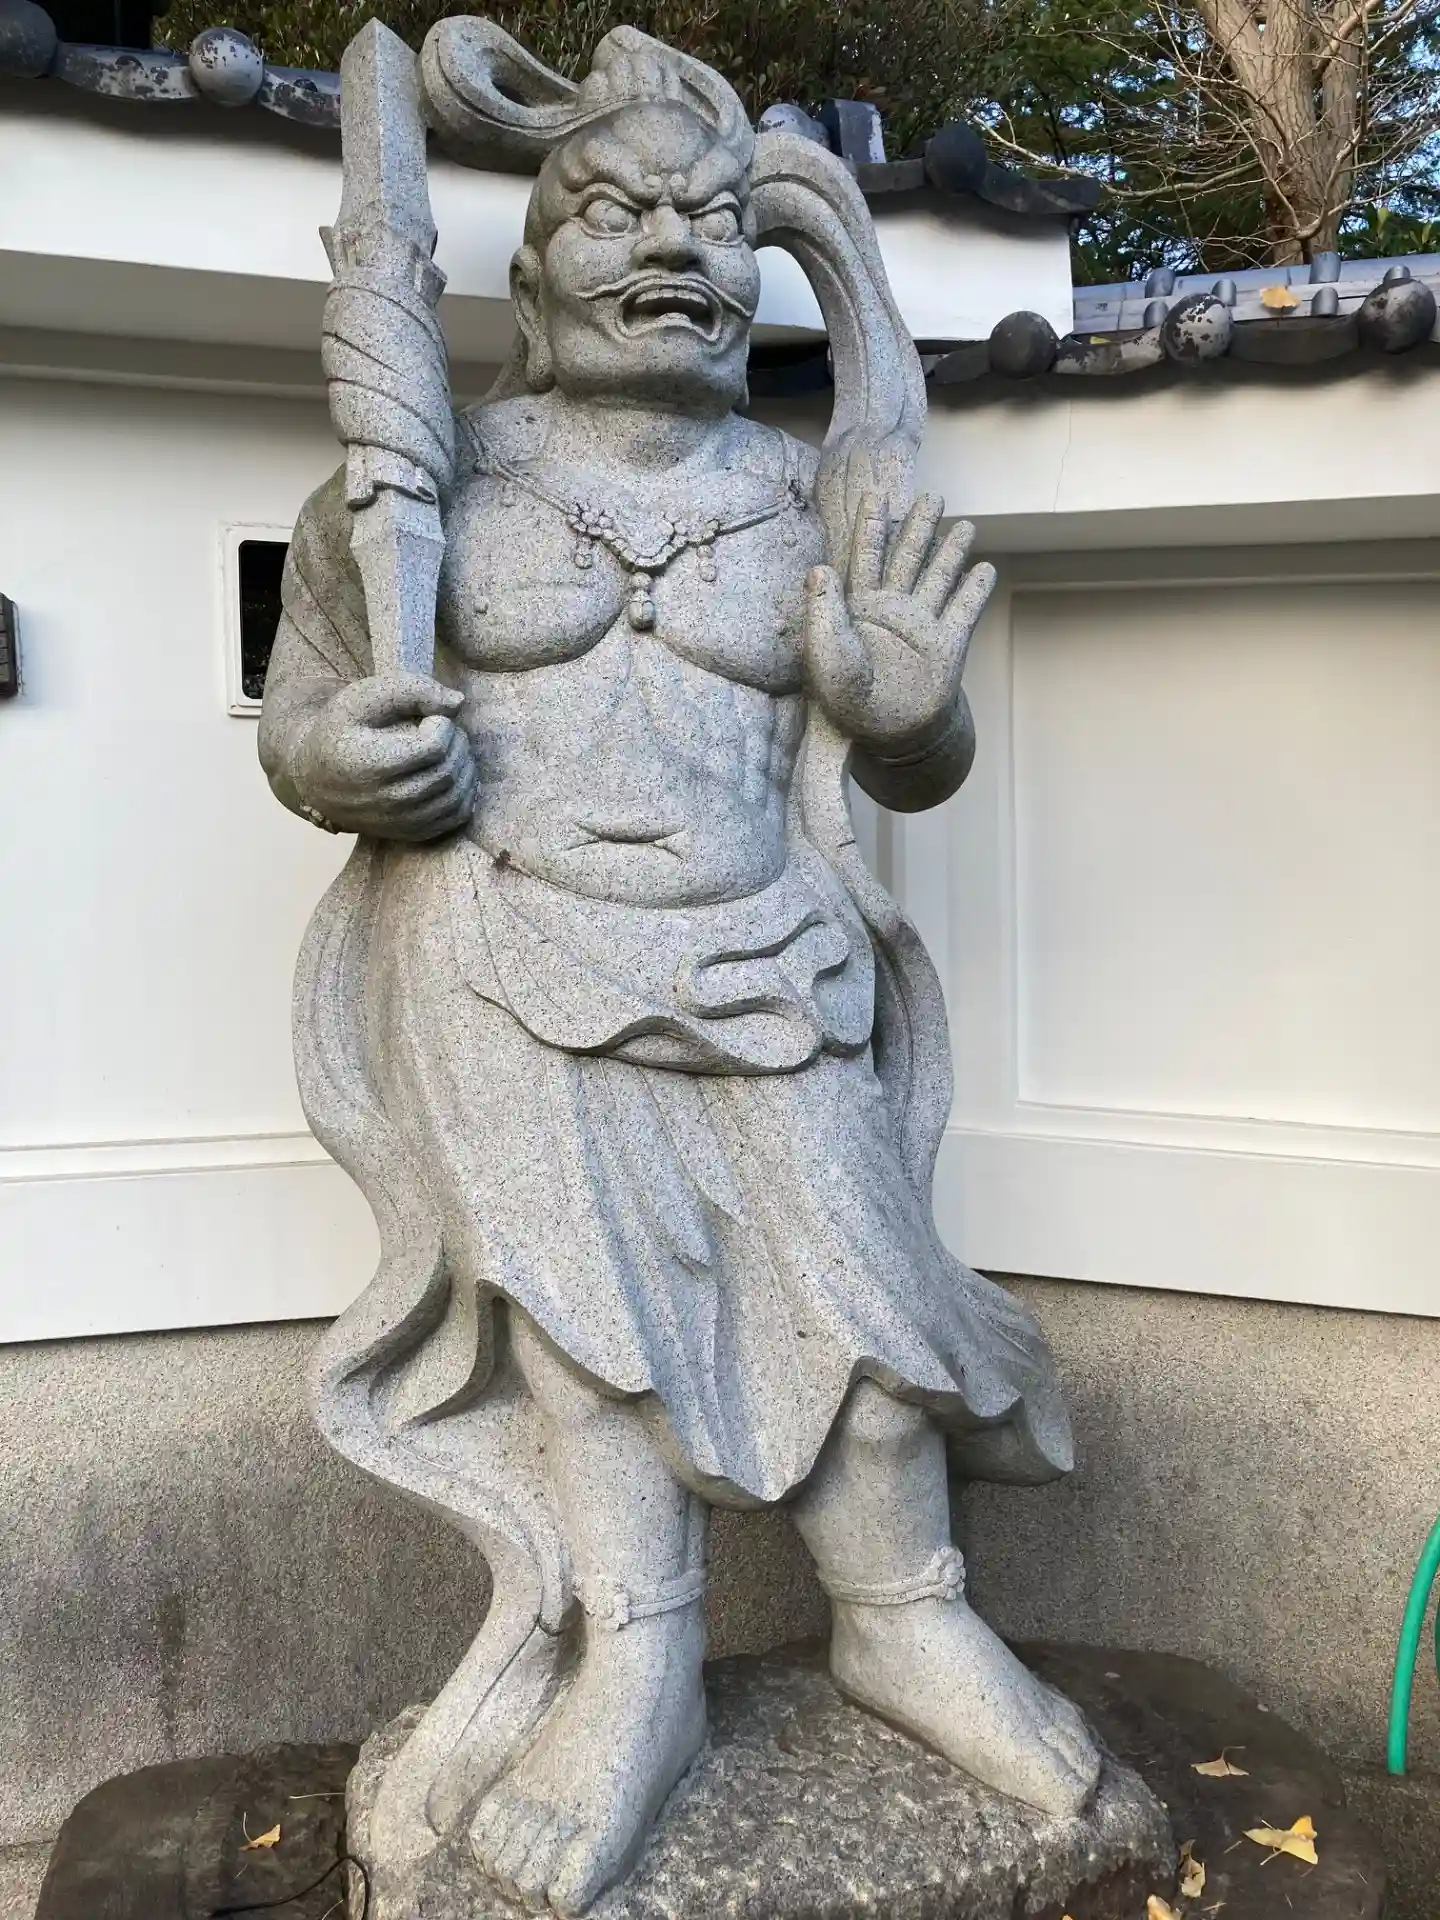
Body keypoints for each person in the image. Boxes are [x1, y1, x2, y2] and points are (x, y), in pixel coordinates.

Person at [260, 26, 1099, 1916]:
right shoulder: (424, 486)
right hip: (509, 950)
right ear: (533, 274)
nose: (675, 248)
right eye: (619, 212)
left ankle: (904, 1613)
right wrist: (341, 757)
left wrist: (912, 709)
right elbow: (313, 702)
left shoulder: (808, 493)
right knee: (588, 1325)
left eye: (714, 221)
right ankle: (636, 1654)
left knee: (865, 1299)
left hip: (770, 944)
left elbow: (913, 757)